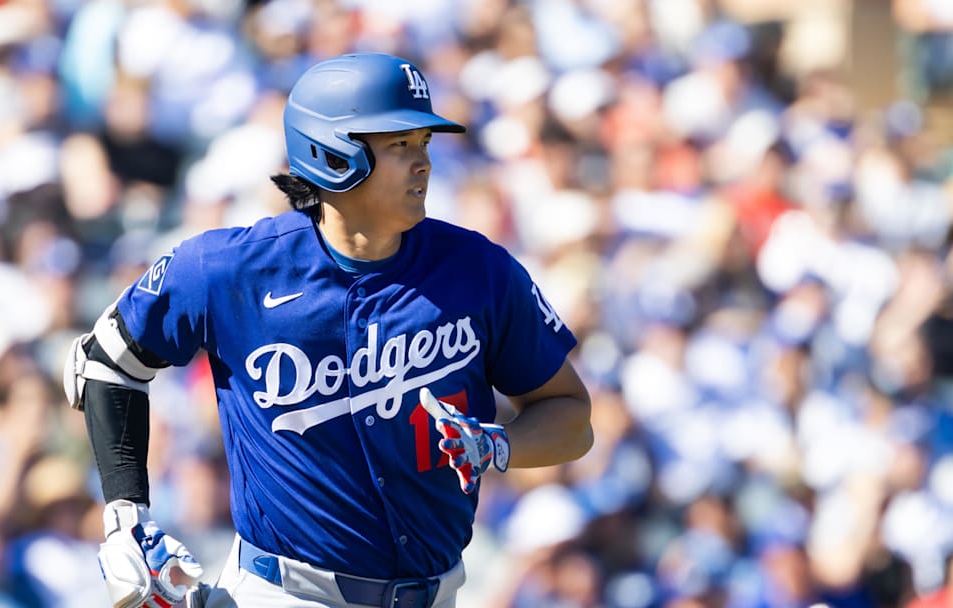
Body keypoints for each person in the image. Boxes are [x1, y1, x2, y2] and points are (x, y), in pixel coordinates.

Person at [63, 52, 594, 608]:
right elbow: (106, 362)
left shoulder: (478, 269)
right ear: (331, 153)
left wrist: (495, 443)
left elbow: (572, 418)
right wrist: (126, 519)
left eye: (424, 144)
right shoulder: (230, 269)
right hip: (286, 594)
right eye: (399, 146)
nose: (424, 164)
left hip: (439, 593)